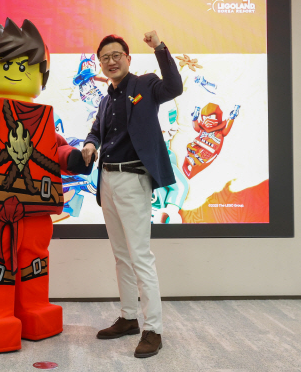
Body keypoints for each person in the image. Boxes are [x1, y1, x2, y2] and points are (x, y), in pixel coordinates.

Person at [0, 18, 91, 354]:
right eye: (6, 64)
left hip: (35, 209)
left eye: (24, 65)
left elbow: (53, 148)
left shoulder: (41, 116)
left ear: (41, 75)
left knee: (33, 261)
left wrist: (73, 159)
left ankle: (33, 308)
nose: (15, 71)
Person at [81, 31, 183, 358]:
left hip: (133, 179)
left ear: (128, 58)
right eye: (105, 58)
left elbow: (174, 87)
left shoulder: (146, 85)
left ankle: (154, 329)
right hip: (107, 180)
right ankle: (128, 318)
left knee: (139, 256)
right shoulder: (105, 99)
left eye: (116, 55)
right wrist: (90, 144)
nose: (111, 61)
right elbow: (96, 131)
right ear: (100, 64)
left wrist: (160, 48)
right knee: (121, 256)